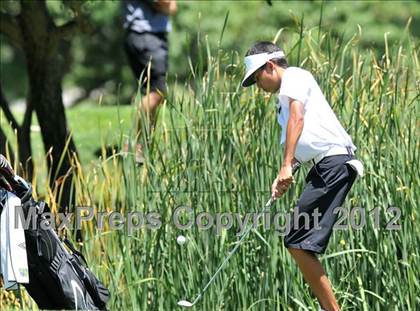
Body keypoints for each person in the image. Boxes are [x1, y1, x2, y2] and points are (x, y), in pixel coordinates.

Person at [242, 41, 364, 311]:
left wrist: (286, 164)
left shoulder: (295, 76)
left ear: (270, 66)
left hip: (335, 162)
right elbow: (303, 142)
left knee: (296, 240)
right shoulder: (282, 100)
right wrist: (286, 171)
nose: (257, 85)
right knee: (297, 241)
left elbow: (299, 119)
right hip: (323, 166)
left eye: (256, 77)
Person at [122, 0, 177, 163]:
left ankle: (144, 146)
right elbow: (167, 4)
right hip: (147, 37)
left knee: (151, 92)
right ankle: (133, 145)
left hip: (145, 36)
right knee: (156, 92)